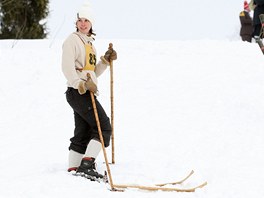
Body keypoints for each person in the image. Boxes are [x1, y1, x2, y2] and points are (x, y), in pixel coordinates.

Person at [61, 2, 117, 179]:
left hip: (86, 91)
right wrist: (80, 84)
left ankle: (74, 166)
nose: (83, 23)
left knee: (84, 129)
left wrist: (105, 62)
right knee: (103, 127)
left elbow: (92, 72)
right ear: (76, 22)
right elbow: (67, 67)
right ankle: (86, 165)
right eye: (80, 20)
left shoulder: (90, 44)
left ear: (92, 23)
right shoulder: (72, 40)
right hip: (78, 91)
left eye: (86, 20)